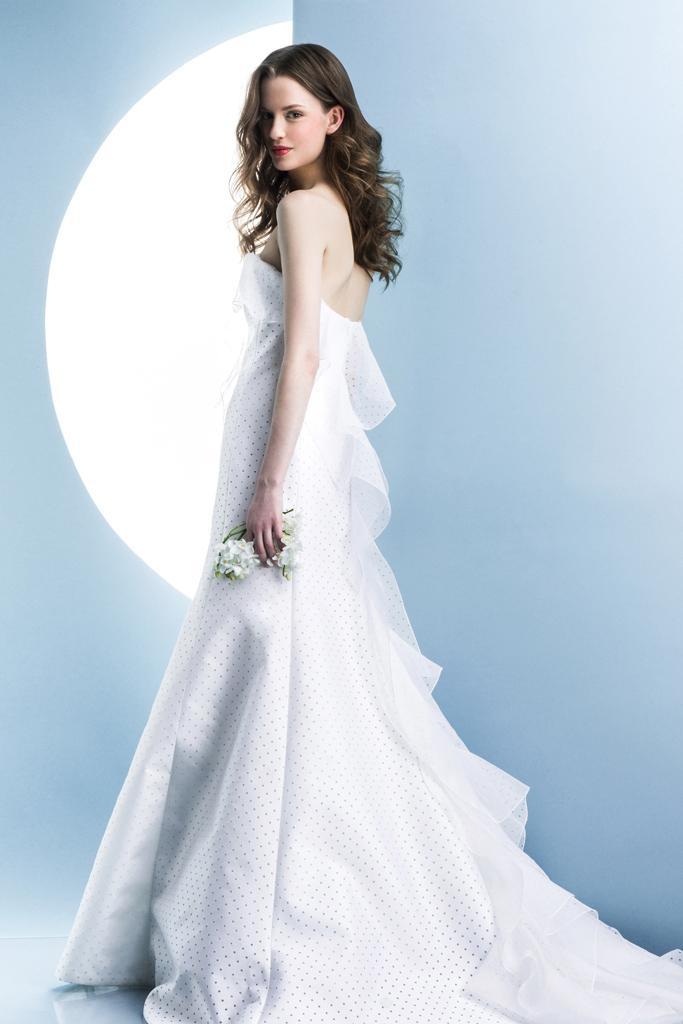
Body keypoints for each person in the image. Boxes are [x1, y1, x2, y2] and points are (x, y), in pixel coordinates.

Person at [55, 42, 683, 1023]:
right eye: (265, 116)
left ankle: (259, 920)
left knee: (253, 661)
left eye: (293, 114)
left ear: (334, 118)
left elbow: (305, 355)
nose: (275, 132)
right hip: (295, 454)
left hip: (277, 461)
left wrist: (269, 483)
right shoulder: (337, 210)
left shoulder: (303, 209)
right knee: (284, 661)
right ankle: (264, 893)